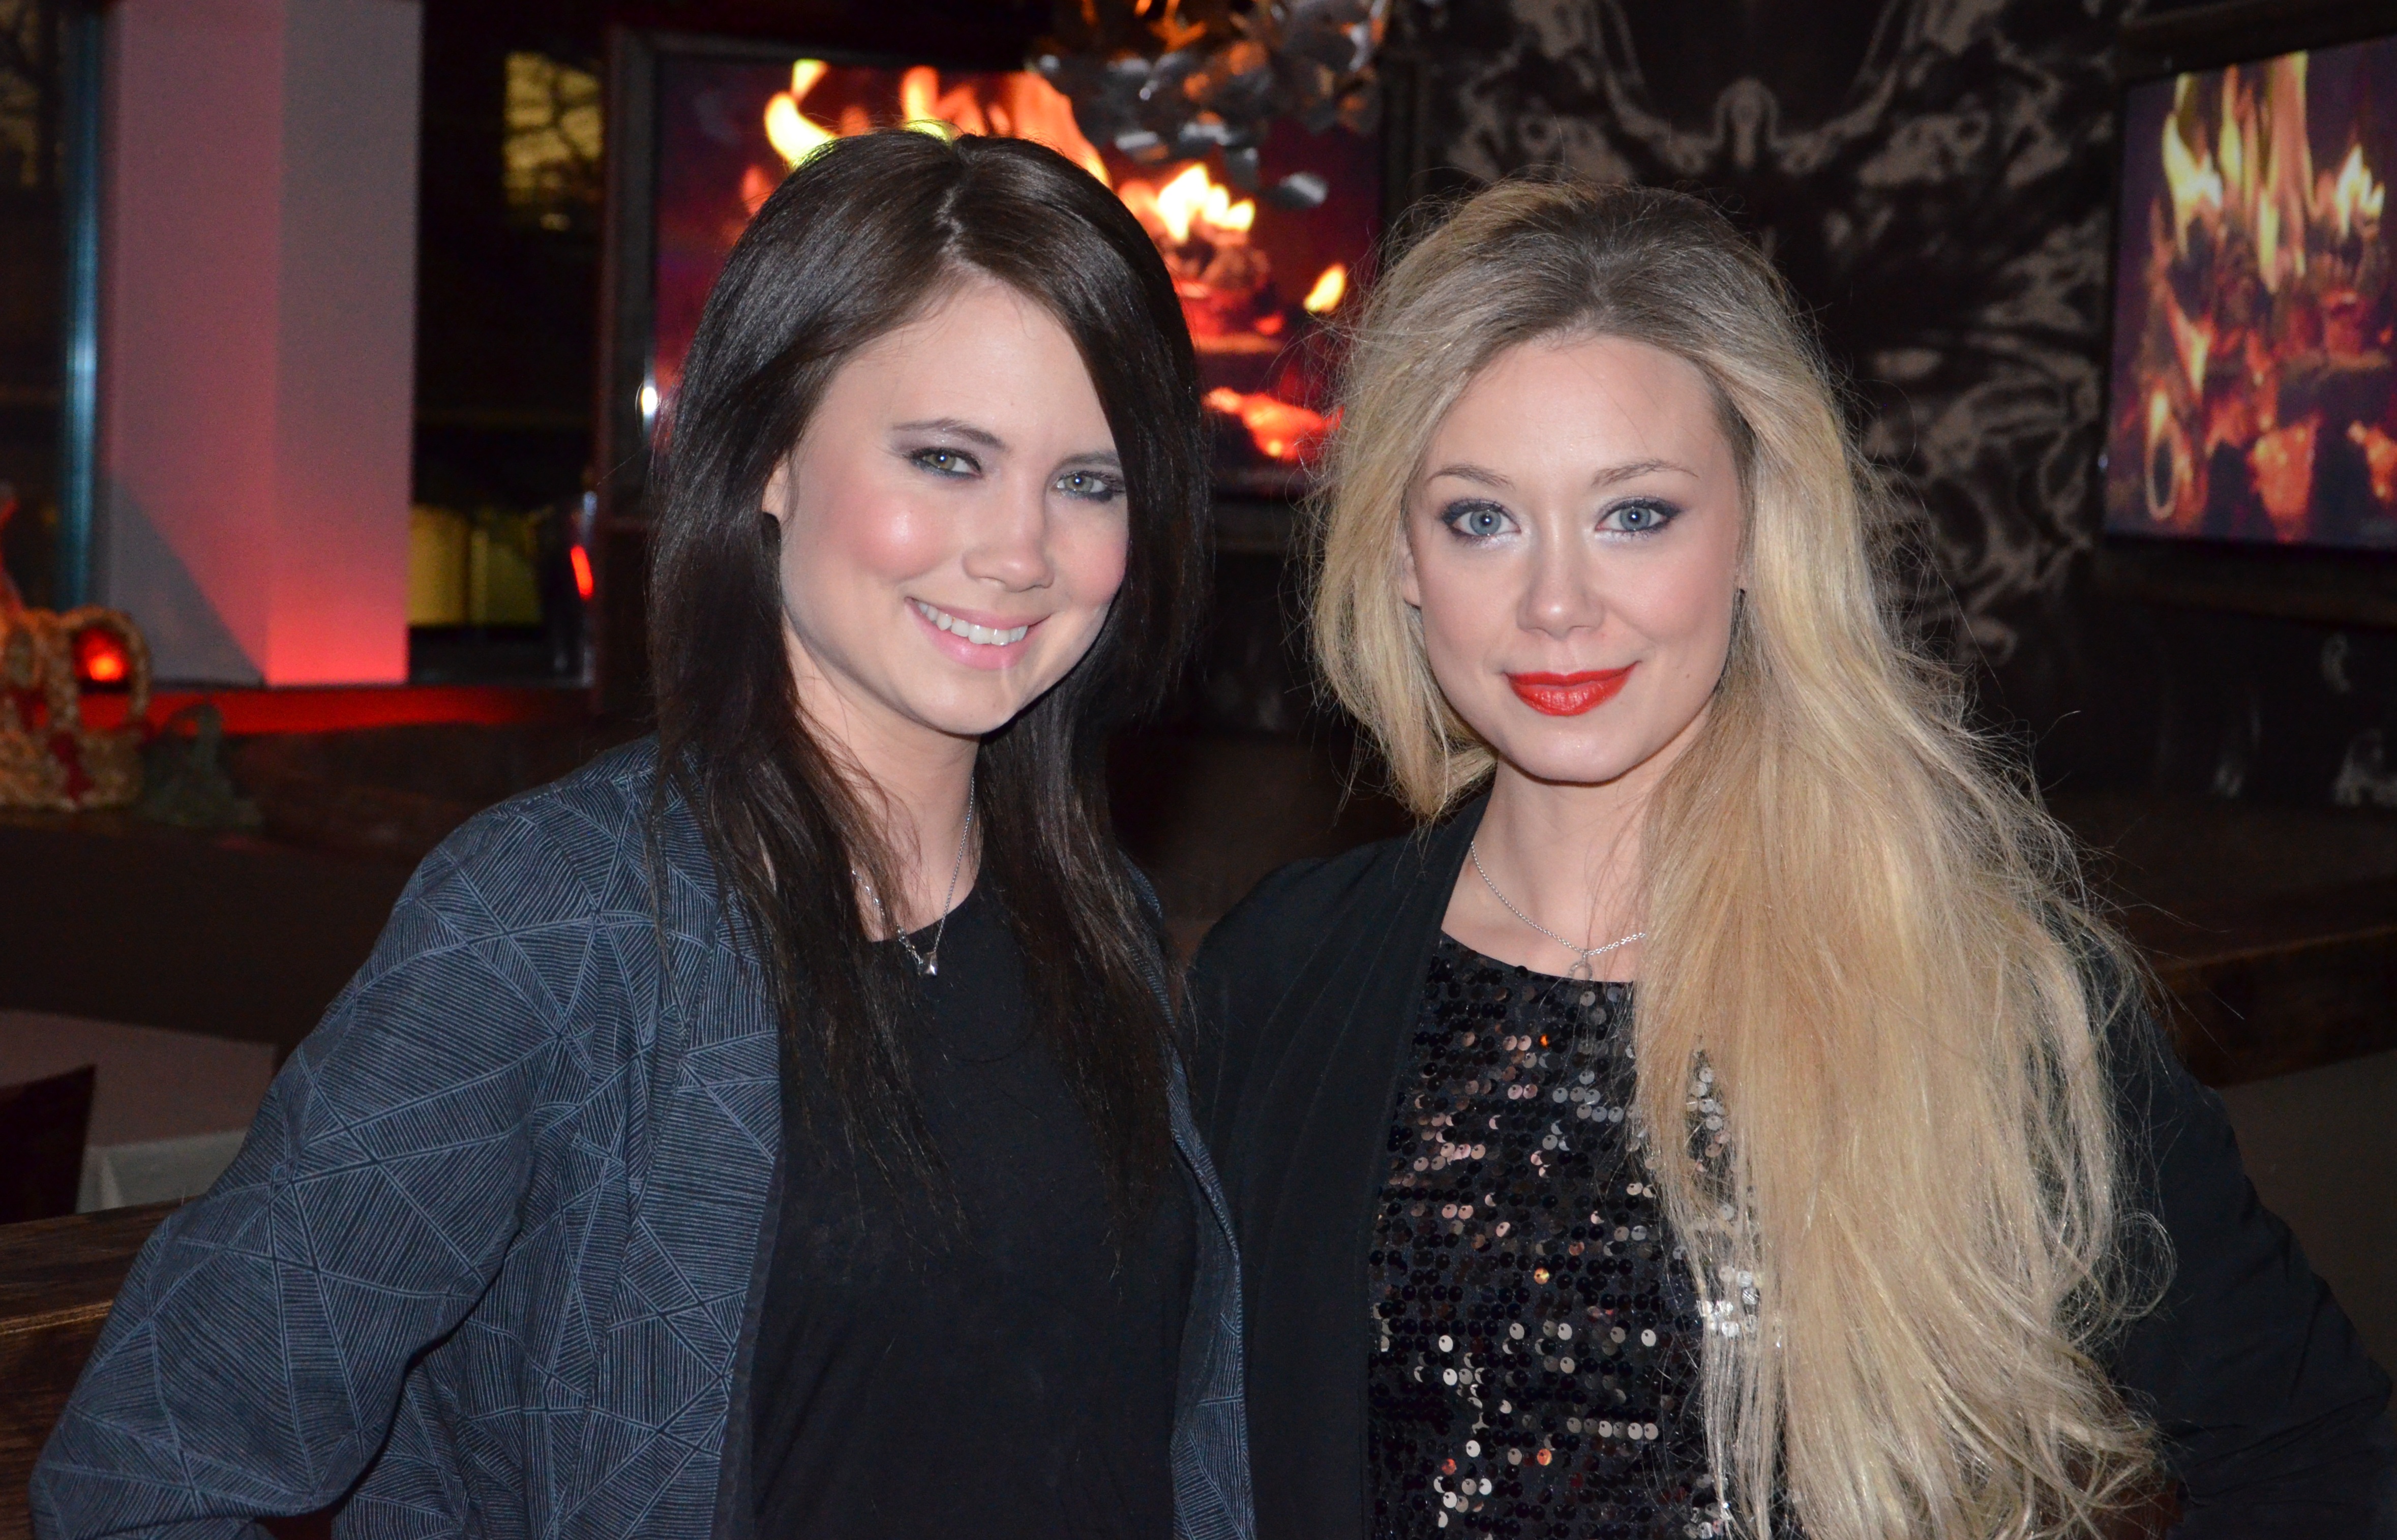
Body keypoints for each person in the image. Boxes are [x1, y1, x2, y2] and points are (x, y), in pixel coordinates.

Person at [37, 131, 1251, 1540]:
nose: (1020, 552)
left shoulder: (1097, 912)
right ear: (770, 459)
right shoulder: (556, 915)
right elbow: (149, 1469)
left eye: (1089, 482)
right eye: (945, 459)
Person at [1191, 176, 2394, 1540]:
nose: (1555, 603)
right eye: (1481, 518)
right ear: (1403, 557)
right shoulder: (1280, 974)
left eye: (1634, 514)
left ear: (1757, 530)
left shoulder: (1972, 984)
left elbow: (2317, 1454)